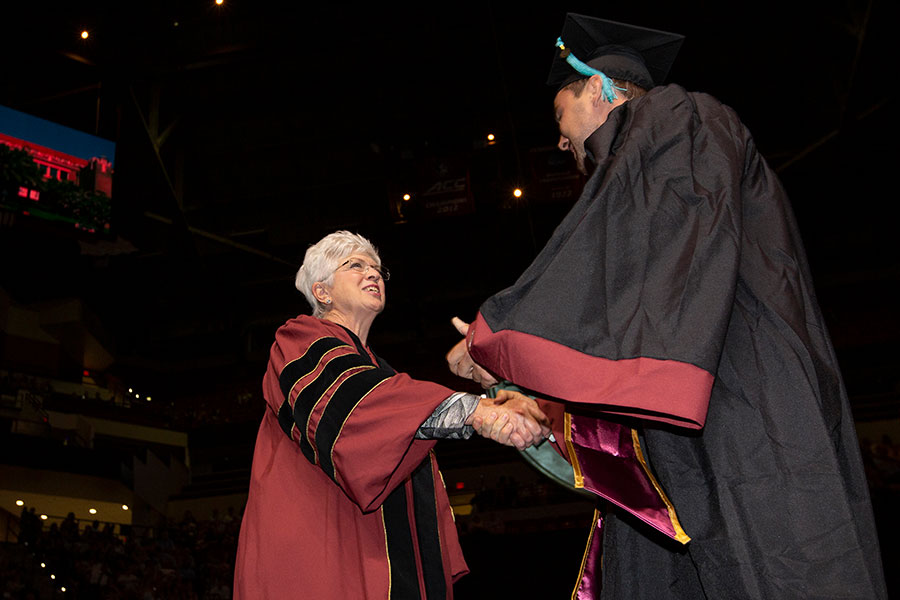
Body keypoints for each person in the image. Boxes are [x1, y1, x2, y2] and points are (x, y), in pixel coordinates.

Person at [446, 13, 887, 599]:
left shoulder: (681, 117)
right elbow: (630, 291)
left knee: (772, 557)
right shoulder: (642, 160)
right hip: (693, 411)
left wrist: (502, 336)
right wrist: (529, 382)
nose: (559, 139)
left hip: (744, 392)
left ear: (601, 89)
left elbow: (634, 267)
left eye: (560, 116)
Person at [234, 230, 549, 599]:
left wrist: (495, 388)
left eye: (377, 269)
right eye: (356, 265)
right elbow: (354, 408)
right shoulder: (299, 338)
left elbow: (392, 405)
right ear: (322, 292)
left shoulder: (379, 371)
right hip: (324, 561)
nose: (373, 274)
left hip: (383, 564)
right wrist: (474, 410)